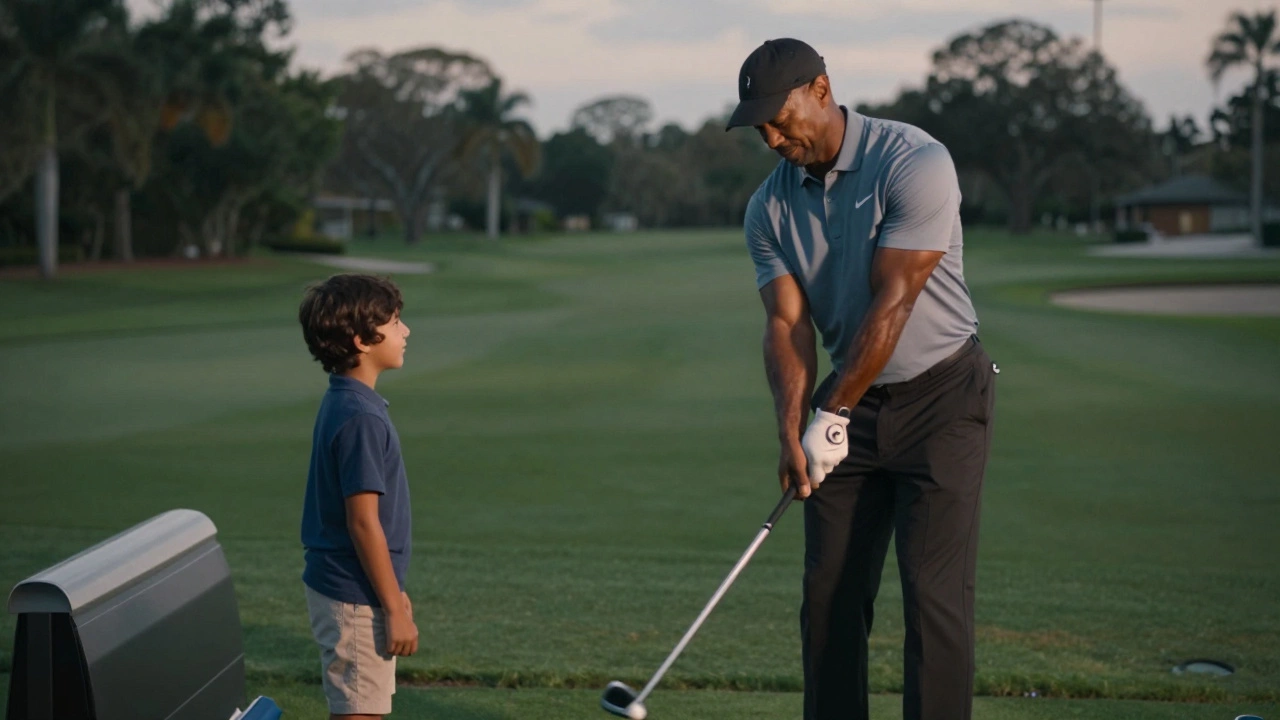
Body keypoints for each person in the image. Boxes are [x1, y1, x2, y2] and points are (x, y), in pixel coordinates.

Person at [728, 38, 998, 720]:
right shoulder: (769, 208)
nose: (770, 134)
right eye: (758, 123)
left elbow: (895, 303)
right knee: (829, 596)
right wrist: (792, 430)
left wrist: (831, 413)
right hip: (846, 409)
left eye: (778, 115)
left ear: (821, 88)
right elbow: (787, 325)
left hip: (942, 400)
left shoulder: (914, 161)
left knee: (933, 598)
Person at [297, 273, 417, 719]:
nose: (405, 331)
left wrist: (394, 592)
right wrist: (392, 606)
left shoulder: (347, 401)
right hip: (354, 597)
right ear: (362, 340)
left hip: (357, 588)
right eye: (395, 321)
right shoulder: (361, 417)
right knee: (359, 713)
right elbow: (363, 522)